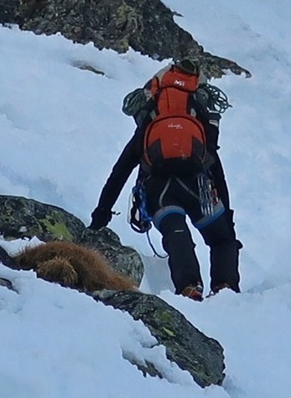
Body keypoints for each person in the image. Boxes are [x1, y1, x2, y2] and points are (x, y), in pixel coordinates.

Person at [88, 54, 241, 301]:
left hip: (158, 188)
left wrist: (101, 215)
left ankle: (190, 286)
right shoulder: (198, 121)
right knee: (222, 240)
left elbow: (120, 171)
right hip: (198, 187)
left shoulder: (149, 124)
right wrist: (228, 212)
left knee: (175, 231)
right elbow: (215, 166)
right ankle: (225, 286)